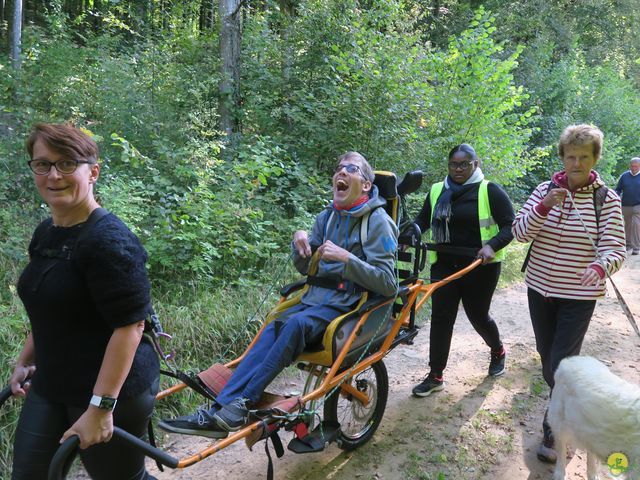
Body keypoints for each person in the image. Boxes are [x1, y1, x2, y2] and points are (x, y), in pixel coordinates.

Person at [159, 151, 398, 438]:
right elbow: (308, 269)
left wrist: (349, 260)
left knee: (295, 325)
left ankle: (242, 404)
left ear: (367, 185)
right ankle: (218, 410)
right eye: (338, 169)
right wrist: (300, 247)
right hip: (313, 300)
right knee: (273, 326)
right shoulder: (326, 218)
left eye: (351, 168)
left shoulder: (378, 221)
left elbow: (389, 283)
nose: (341, 173)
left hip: (349, 306)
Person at [10, 123, 159, 480]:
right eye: (42, 164)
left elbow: (131, 326)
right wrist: (25, 360)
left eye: (66, 164)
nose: (53, 175)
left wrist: (100, 406)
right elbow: (50, 310)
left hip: (112, 390)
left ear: (92, 172)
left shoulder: (109, 240)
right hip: (53, 382)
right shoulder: (47, 233)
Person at [512, 124, 626, 464]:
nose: (576, 164)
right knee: (549, 363)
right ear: (562, 158)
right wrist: (544, 206)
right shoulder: (544, 190)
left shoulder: (607, 200)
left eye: (584, 157)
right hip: (539, 290)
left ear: (595, 159)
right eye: (571, 157)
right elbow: (519, 233)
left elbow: (615, 248)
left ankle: (556, 430)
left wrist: (600, 267)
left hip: (578, 295)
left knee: (560, 365)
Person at [411, 143, 515, 398]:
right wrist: (409, 231)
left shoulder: (489, 191)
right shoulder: (437, 190)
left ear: (475, 164)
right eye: (453, 164)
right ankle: (436, 375)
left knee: (478, 316)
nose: (457, 169)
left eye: (463, 164)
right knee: (441, 318)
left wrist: (492, 245)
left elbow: (510, 225)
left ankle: (498, 350)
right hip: (444, 263)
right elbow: (422, 220)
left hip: (479, 266)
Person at [615, 157, 640, 255]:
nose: (634, 168)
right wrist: (615, 196)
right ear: (630, 165)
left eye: (636, 166)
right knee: (628, 226)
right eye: (632, 166)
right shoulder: (624, 176)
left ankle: (636, 247)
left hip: (638, 205)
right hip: (626, 205)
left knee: (636, 224)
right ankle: (628, 245)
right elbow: (618, 189)